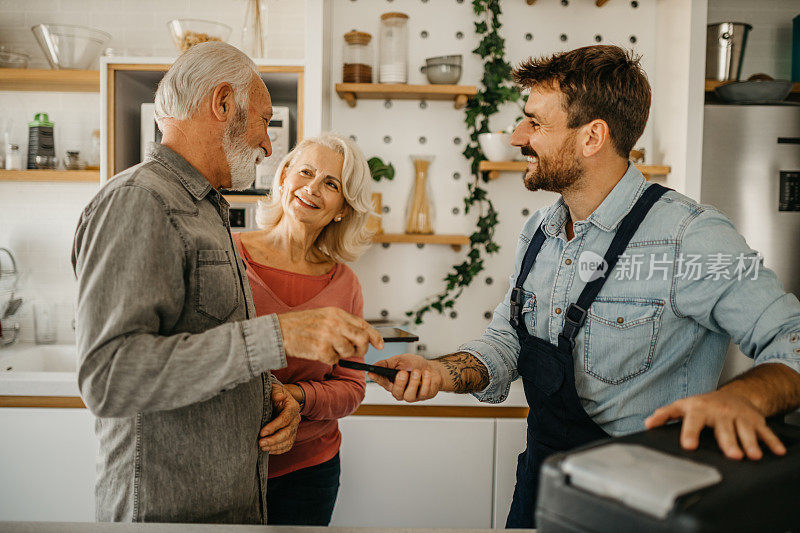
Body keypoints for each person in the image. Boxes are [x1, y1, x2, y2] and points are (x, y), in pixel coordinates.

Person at [369, 45, 800, 528]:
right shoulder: (539, 232)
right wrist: (437, 372)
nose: (517, 137)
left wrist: (741, 399)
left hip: (642, 506)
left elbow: (793, 342)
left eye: (535, 123)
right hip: (542, 484)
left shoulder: (689, 237)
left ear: (593, 136)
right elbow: (505, 341)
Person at [71, 42, 382, 524]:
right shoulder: (140, 200)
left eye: (333, 184)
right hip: (168, 511)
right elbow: (110, 377)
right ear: (222, 104)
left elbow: (211, 358)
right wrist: (278, 337)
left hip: (225, 503)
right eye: (263, 121)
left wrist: (295, 401)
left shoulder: (202, 211)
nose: (267, 143)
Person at [233, 132, 374, 525]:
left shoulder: (345, 284)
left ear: (343, 208)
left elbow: (350, 387)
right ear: (283, 177)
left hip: (310, 471)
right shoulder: (227, 254)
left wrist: (296, 395)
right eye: (306, 172)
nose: (312, 188)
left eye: (331, 184)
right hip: (227, 464)